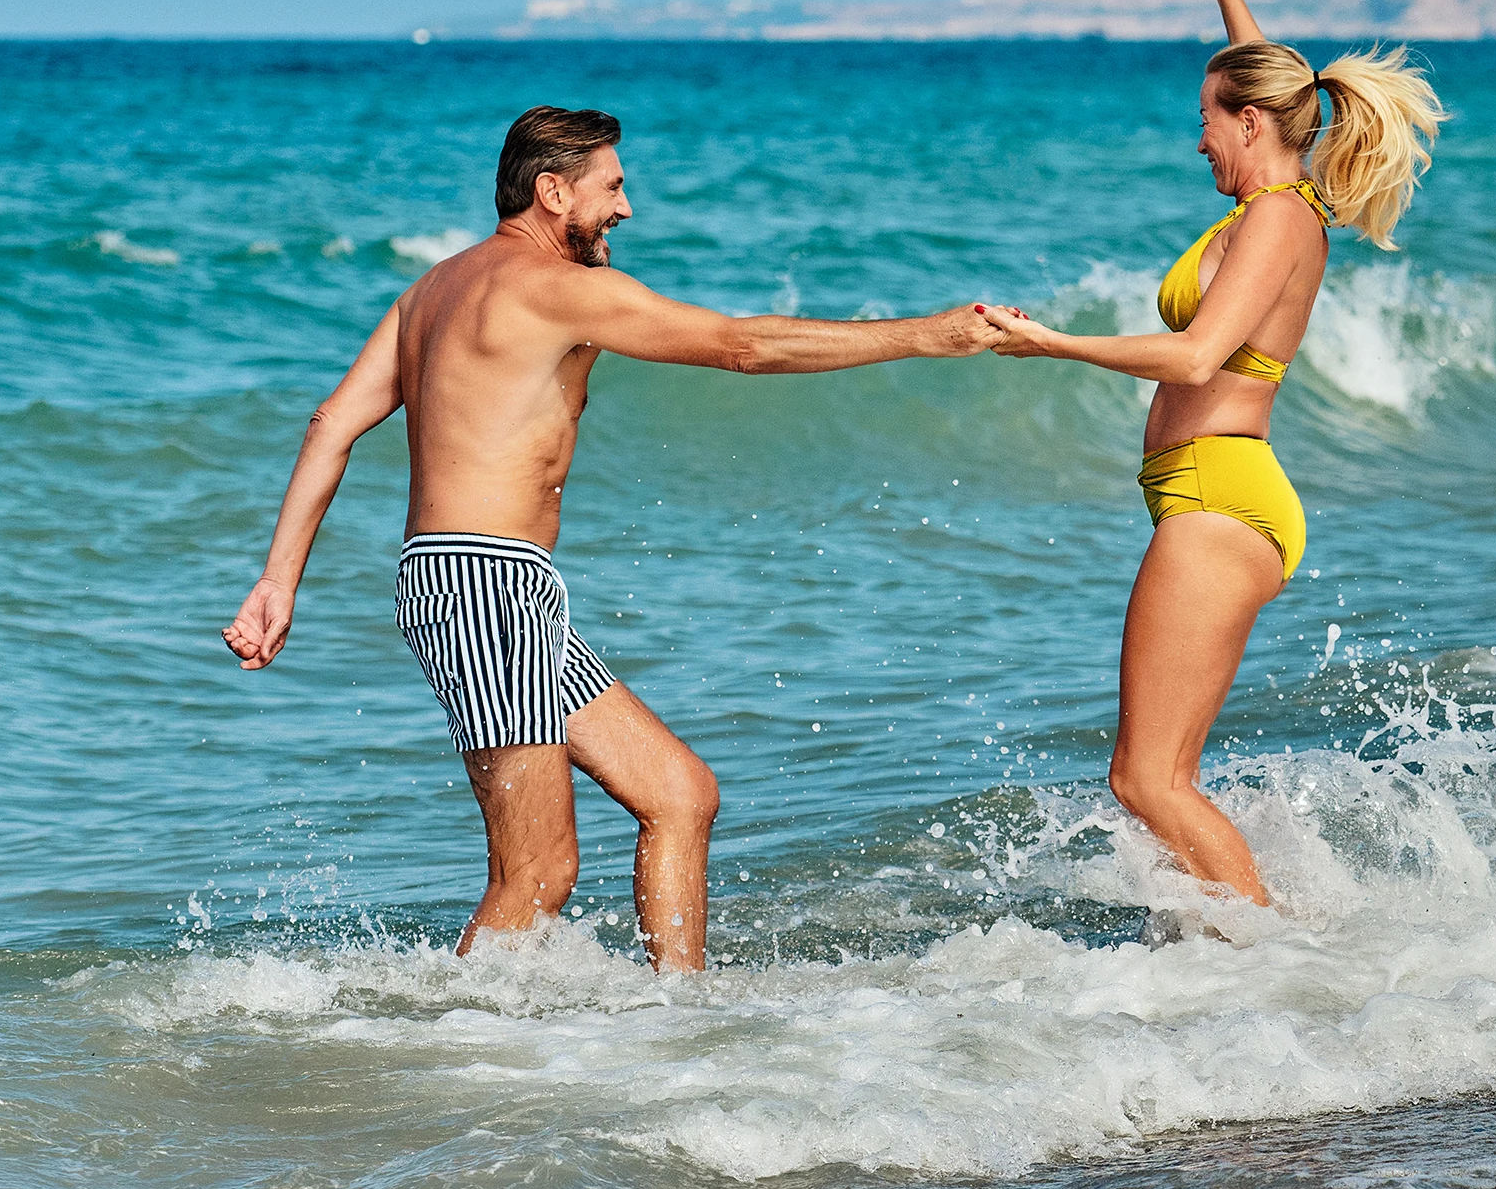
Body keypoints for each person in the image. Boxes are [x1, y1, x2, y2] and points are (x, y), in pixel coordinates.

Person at [219, 106, 1005, 971]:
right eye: (613, 188)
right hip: (483, 586)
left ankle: (677, 1016)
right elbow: (742, 346)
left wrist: (277, 581)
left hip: (483, 584)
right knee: (537, 874)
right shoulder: (557, 287)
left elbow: (331, 422)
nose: (625, 209)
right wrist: (928, 335)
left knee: (679, 795)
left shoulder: (430, 291)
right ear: (552, 192)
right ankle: (448, 1036)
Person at [980, 0, 1445, 910]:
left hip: (1218, 497)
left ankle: (1276, 964)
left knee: (1148, 782)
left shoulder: (1278, 217)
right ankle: (1223, 959)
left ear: (1249, 123)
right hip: (1211, 494)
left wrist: (1050, 342)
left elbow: (1195, 359)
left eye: (1206, 121)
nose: (1198, 140)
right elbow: (1272, 87)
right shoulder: (1284, 192)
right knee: (1159, 781)